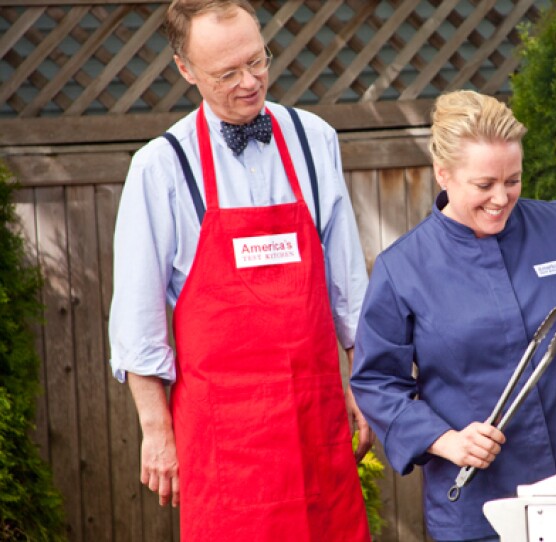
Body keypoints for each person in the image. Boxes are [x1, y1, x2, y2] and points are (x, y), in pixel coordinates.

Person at [350, 90, 556, 541]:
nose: (501, 198)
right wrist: (445, 440)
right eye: (484, 185)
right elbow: (377, 383)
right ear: (443, 173)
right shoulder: (402, 269)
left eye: (513, 180)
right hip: (479, 509)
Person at [108, 1, 371, 540]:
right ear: (185, 70)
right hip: (224, 439)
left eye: (258, 61)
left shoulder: (314, 138)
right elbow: (137, 320)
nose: (250, 82)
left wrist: (367, 382)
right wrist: (156, 430)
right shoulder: (160, 167)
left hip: (314, 418)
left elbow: (348, 285)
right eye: (227, 73)